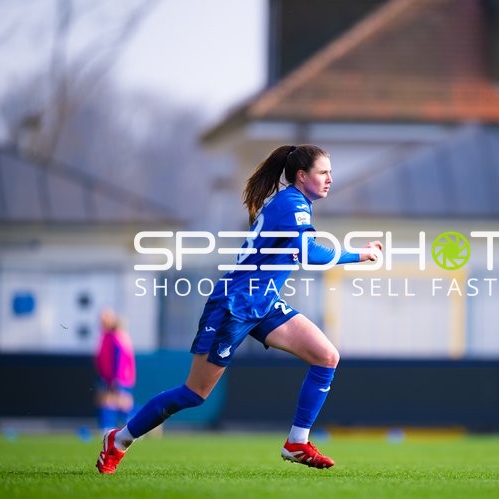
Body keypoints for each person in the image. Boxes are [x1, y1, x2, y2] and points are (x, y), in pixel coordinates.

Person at [96, 144, 382, 474]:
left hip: (263, 303)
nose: (331, 179)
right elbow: (310, 254)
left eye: (331, 172)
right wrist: (360, 254)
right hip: (234, 305)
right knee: (194, 394)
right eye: (323, 172)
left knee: (327, 356)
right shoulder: (292, 204)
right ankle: (119, 439)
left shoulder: (294, 202)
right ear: (302, 176)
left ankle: (297, 442)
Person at [94, 308, 137, 432]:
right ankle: (108, 428)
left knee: (122, 402)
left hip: (120, 377)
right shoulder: (106, 335)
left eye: (105, 318)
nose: (101, 321)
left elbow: (120, 359)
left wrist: (117, 378)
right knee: (110, 401)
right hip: (108, 376)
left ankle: (144, 423)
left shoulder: (117, 335)